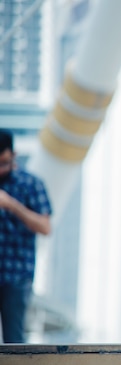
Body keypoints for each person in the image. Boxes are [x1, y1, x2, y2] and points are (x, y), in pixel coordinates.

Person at [0, 128, 52, 343]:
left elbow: (45, 227)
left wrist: (12, 205)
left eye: (3, 163)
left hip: (16, 276)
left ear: (14, 155)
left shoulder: (31, 184)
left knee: (14, 343)